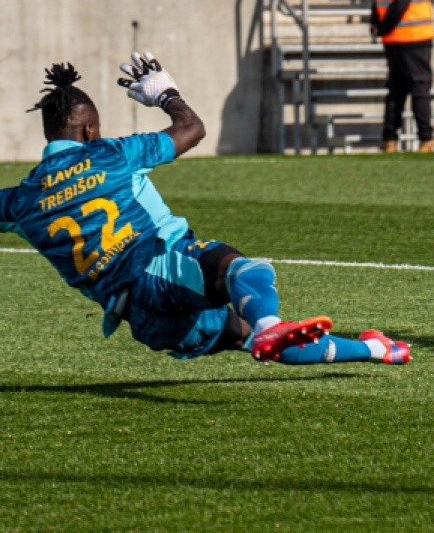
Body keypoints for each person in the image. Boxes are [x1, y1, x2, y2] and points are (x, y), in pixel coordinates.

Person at [0, 53, 411, 366]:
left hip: (143, 321)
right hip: (159, 271)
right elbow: (190, 130)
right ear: (90, 130)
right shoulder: (110, 155)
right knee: (245, 272)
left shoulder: (22, 200)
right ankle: (271, 324)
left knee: (247, 339)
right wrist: (167, 95)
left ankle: (377, 349)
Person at [371, 0, 434, 153]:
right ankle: (426, 139)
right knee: (420, 87)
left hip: (396, 40)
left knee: (397, 90)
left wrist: (379, 25)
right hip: (413, 38)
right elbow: (400, 3)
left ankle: (389, 139)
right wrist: (385, 27)